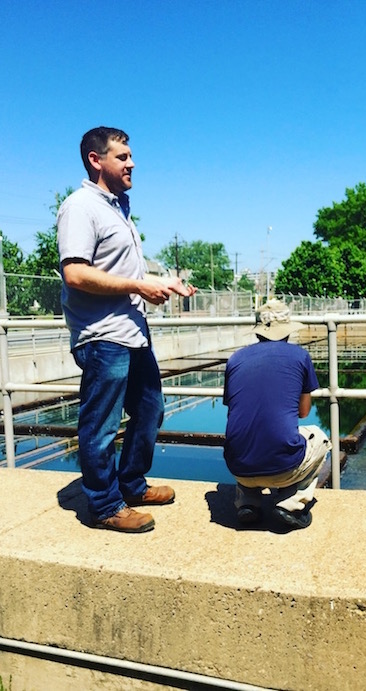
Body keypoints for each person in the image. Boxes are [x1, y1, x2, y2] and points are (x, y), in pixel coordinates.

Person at [58, 126, 197, 533]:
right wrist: (139, 286)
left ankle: (131, 484)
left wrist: (162, 283)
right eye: (122, 157)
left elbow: (121, 270)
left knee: (151, 409)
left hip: (132, 332)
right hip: (103, 335)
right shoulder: (80, 207)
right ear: (95, 160)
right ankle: (104, 506)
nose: (132, 163)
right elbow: (75, 273)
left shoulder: (118, 208)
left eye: (131, 156)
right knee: (100, 425)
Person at [222, 299, 331, 530]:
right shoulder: (299, 356)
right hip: (285, 469)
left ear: (258, 331)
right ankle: (290, 504)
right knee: (320, 437)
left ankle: (248, 503)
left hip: (238, 467)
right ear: (287, 330)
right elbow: (303, 412)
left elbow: (236, 411)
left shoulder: (234, 360)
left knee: (248, 436)